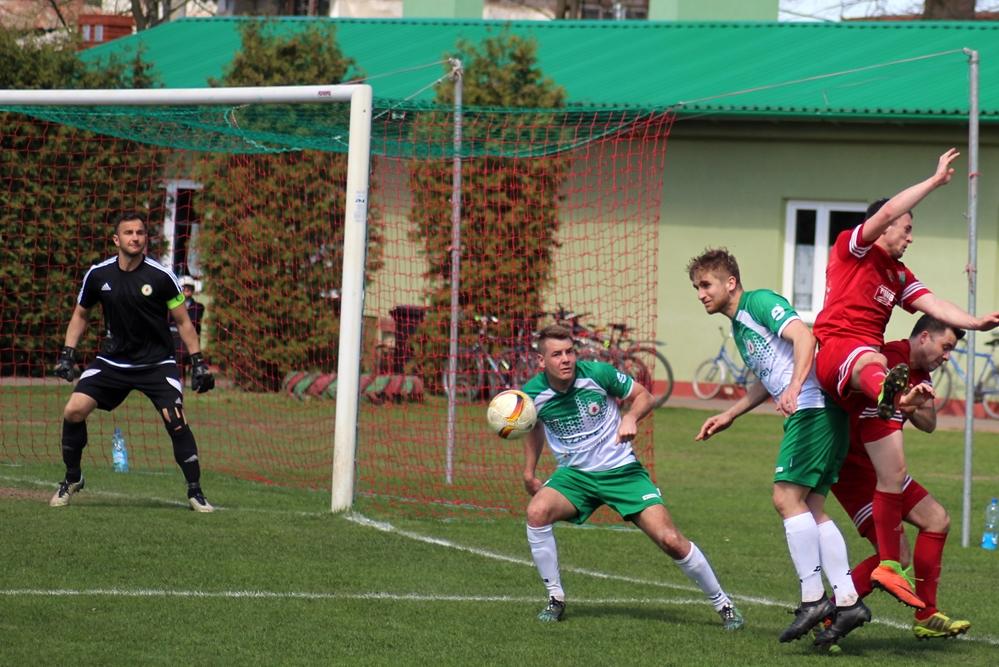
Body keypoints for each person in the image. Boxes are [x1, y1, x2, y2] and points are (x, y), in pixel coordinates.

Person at [812, 148, 999, 608]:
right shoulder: (852, 248)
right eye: (907, 229)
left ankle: (894, 573)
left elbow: (934, 304)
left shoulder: (897, 275)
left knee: (894, 470)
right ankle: (889, 392)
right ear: (885, 225)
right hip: (838, 353)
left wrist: (975, 322)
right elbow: (890, 209)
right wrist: (934, 182)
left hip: (865, 371)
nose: (910, 237)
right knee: (871, 357)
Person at [687, 248, 868, 648]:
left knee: (785, 498)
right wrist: (730, 414)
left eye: (706, 285)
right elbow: (767, 377)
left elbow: (804, 336)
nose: (700, 294)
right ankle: (847, 600)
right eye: (696, 287)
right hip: (821, 413)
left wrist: (794, 387)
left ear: (730, 282)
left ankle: (813, 599)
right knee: (811, 508)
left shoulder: (758, 303)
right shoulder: (740, 326)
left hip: (813, 409)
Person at [520, 324, 743, 629]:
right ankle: (555, 598)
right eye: (557, 354)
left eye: (570, 351)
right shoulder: (532, 394)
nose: (566, 359)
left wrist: (630, 417)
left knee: (671, 540)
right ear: (541, 361)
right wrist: (529, 470)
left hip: (622, 471)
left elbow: (644, 396)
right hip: (575, 477)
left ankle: (724, 604)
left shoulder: (597, 374)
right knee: (537, 512)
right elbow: (533, 426)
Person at [51, 210, 216, 512]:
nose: (135, 238)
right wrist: (67, 353)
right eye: (128, 233)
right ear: (116, 239)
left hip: (157, 363)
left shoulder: (161, 276)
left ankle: (195, 491)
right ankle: (72, 478)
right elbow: (81, 315)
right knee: (73, 410)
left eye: (140, 233)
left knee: (176, 420)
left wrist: (198, 362)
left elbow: (183, 322)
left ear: (145, 239)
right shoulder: (98, 275)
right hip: (113, 362)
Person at [832, 314, 970, 640]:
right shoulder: (890, 359)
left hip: (885, 468)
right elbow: (876, 400)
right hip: (855, 468)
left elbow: (929, 423)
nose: (947, 356)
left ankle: (927, 614)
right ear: (924, 337)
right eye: (945, 347)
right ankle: (828, 615)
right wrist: (902, 399)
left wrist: (909, 403)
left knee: (937, 520)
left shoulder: (921, 374)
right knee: (894, 556)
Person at [170, 275, 206, 380]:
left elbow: (192, 320)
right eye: (184, 287)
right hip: (175, 340)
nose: (186, 289)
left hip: (189, 341)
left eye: (189, 287)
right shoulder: (171, 305)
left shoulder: (198, 307)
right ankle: (180, 380)